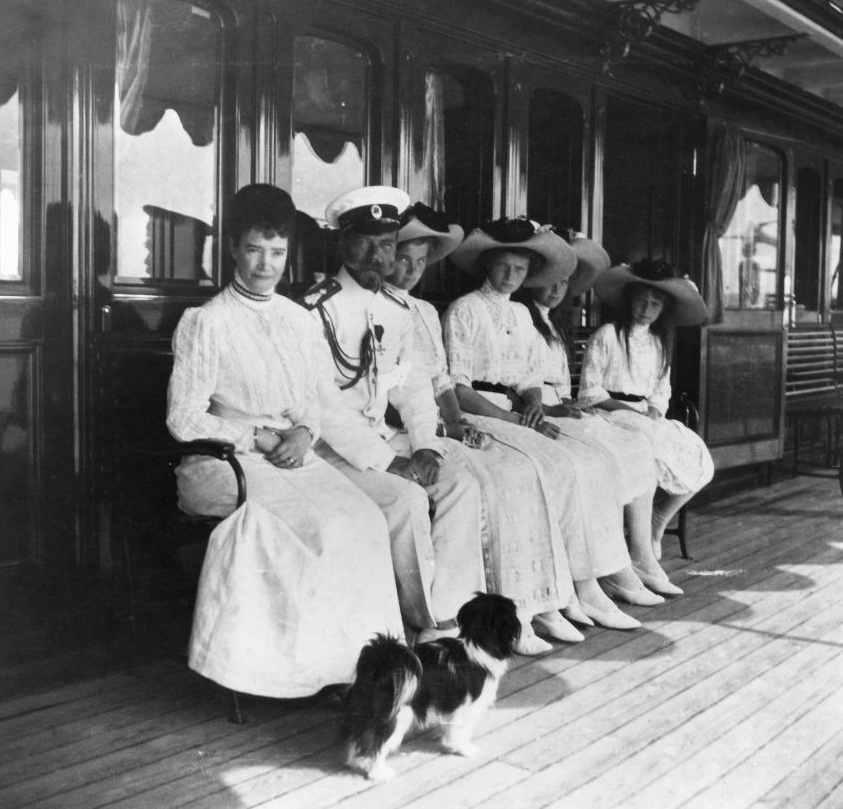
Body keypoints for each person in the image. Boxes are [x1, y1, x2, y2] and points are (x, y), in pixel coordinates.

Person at [167, 184, 403, 698]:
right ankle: (293, 672)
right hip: (224, 460)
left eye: (277, 253)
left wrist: (302, 432)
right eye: (254, 249)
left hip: (289, 455)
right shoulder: (206, 323)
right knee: (316, 525)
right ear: (233, 248)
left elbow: (311, 401)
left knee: (361, 518)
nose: (265, 265)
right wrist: (258, 435)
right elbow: (184, 419)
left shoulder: (298, 321)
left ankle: (351, 668)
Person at [384, 203, 587, 653]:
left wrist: (454, 423)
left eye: (420, 263)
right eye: (402, 259)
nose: (411, 271)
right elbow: (402, 391)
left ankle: (542, 601)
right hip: (401, 432)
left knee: (533, 468)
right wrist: (454, 426)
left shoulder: (422, 309)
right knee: (497, 480)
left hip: (441, 423)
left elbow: (438, 380)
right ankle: (490, 612)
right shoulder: (380, 308)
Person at [301, 186, 485, 643]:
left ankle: (452, 606)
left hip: (383, 437)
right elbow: (321, 404)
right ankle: (429, 623)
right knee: (404, 500)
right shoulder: (314, 309)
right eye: (364, 241)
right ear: (342, 243)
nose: (376, 255)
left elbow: (413, 388)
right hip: (331, 448)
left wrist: (425, 445)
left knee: (460, 481)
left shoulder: (394, 311)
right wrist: (390, 462)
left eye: (386, 243)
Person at [443, 218, 645, 632]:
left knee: (586, 463)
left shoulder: (520, 313)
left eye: (519, 270)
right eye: (503, 266)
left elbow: (530, 375)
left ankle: (587, 584)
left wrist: (534, 402)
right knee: (551, 467)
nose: (511, 276)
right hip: (482, 410)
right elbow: (458, 387)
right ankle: (553, 598)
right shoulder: (464, 309)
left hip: (517, 408)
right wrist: (514, 418)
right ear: (487, 266)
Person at [515, 232, 677, 599]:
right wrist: (557, 407)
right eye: (549, 282)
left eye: (565, 283)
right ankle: (613, 569)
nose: (557, 290)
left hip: (564, 409)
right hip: (538, 413)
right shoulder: (520, 318)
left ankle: (640, 555)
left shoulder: (554, 325)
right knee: (603, 458)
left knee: (633, 446)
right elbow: (519, 383)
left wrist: (567, 404)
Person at [579, 257, 715, 567]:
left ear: (662, 309)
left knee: (697, 452)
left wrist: (655, 410)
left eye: (655, 303)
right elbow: (590, 390)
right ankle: (638, 537)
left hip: (644, 415)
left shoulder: (658, 343)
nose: (647, 308)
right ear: (630, 302)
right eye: (642, 300)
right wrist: (630, 411)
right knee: (648, 447)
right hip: (608, 412)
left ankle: (657, 520)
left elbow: (661, 388)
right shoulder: (607, 335)